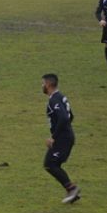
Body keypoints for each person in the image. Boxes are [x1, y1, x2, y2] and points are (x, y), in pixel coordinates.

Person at [41, 74, 80, 204]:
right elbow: (71, 116)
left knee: (50, 163)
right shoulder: (61, 97)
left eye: (43, 84)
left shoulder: (54, 100)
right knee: (52, 163)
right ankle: (71, 190)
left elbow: (64, 118)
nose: (42, 86)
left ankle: (72, 189)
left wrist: (54, 137)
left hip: (63, 139)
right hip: (66, 137)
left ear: (48, 84)